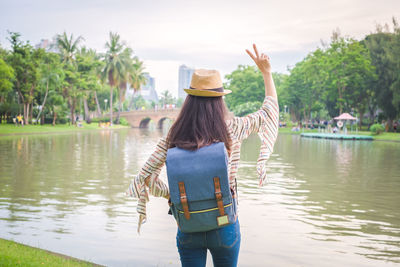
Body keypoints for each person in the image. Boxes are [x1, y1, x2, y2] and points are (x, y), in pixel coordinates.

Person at [126, 44, 279, 267]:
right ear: (220, 100)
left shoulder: (174, 134)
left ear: (190, 100)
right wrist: (266, 73)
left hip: (188, 225)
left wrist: (171, 195)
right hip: (224, 224)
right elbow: (268, 112)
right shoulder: (232, 129)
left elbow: (144, 177)